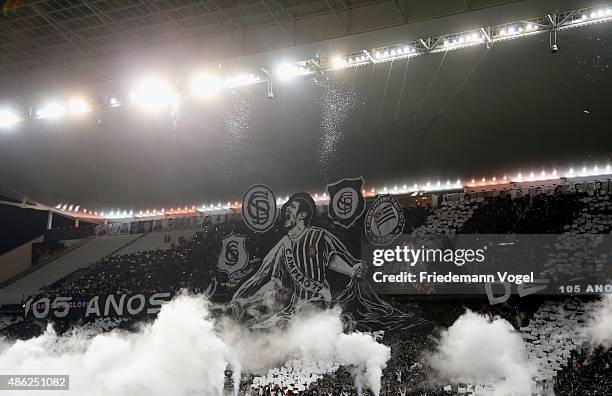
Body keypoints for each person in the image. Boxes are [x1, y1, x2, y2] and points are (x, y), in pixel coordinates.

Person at [231, 193, 425, 330]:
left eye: (291, 208)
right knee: (258, 329)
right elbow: (273, 280)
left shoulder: (318, 236)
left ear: (303, 215)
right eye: (287, 208)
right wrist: (248, 299)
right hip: (293, 309)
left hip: (316, 305)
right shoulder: (283, 244)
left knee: (290, 331)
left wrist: (351, 270)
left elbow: (331, 258)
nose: (286, 211)